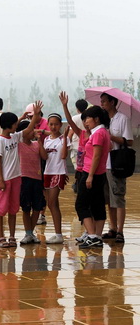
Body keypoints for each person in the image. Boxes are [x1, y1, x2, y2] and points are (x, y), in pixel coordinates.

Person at [0, 102, 41, 248]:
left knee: (13, 209)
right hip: (5, 180)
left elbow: (28, 128)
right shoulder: (0, 141)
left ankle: (11, 236)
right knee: (0, 209)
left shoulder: (14, 137)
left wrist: (34, 115)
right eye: (15, 124)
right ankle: (0, 237)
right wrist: (0, 180)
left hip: (16, 178)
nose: (17, 126)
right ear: (11, 125)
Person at [73, 104, 111, 249]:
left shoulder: (98, 133)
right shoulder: (102, 132)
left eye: (88, 118)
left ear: (96, 119)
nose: (86, 121)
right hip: (98, 174)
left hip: (92, 173)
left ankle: (93, 235)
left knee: (81, 204)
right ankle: (96, 236)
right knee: (97, 205)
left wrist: (89, 176)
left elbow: (96, 156)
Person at [100, 92, 133, 243]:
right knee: (108, 199)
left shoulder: (123, 119)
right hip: (104, 163)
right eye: (101, 102)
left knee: (118, 197)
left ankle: (120, 230)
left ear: (113, 102)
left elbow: (129, 141)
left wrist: (111, 136)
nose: (102, 104)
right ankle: (112, 228)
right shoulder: (104, 121)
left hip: (117, 163)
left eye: (105, 101)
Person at [60, 92, 91, 243]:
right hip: (82, 168)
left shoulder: (98, 134)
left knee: (87, 203)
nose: (86, 123)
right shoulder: (84, 132)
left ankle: (91, 232)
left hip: (89, 170)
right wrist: (64, 105)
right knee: (83, 202)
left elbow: (72, 126)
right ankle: (89, 232)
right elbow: (71, 124)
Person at [39, 113, 70, 244]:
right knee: (53, 204)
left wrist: (65, 138)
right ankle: (58, 234)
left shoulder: (64, 139)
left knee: (51, 203)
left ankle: (58, 234)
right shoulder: (46, 140)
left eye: (56, 124)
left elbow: (63, 156)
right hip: (47, 172)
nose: (53, 127)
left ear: (60, 125)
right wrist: (39, 143)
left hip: (58, 172)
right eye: (51, 124)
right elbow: (45, 157)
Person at [17, 119, 44, 245]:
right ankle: (28, 233)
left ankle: (30, 233)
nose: (33, 131)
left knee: (37, 208)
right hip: (24, 179)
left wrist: (40, 141)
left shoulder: (36, 144)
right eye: (30, 129)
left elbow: (44, 156)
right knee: (26, 208)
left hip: (37, 179)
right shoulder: (19, 144)